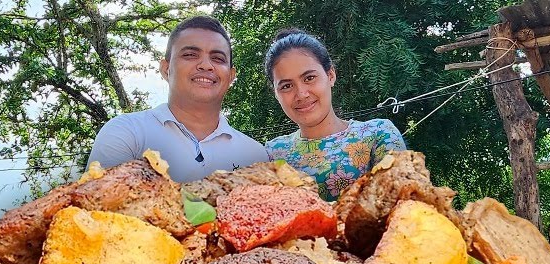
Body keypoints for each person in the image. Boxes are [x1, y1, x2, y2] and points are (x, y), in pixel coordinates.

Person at [87, 16, 268, 183]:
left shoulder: (255, 155)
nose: (206, 65)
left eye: (218, 58)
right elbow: (96, 208)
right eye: (190, 55)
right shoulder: (127, 132)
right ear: (166, 69)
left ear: (230, 76)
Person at [264, 29, 407, 201]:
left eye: (309, 78)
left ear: (330, 75)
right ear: (276, 94)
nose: (301, 94)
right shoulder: (272, 154)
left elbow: (402, 209)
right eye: (286, 86)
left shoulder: (378, 134)